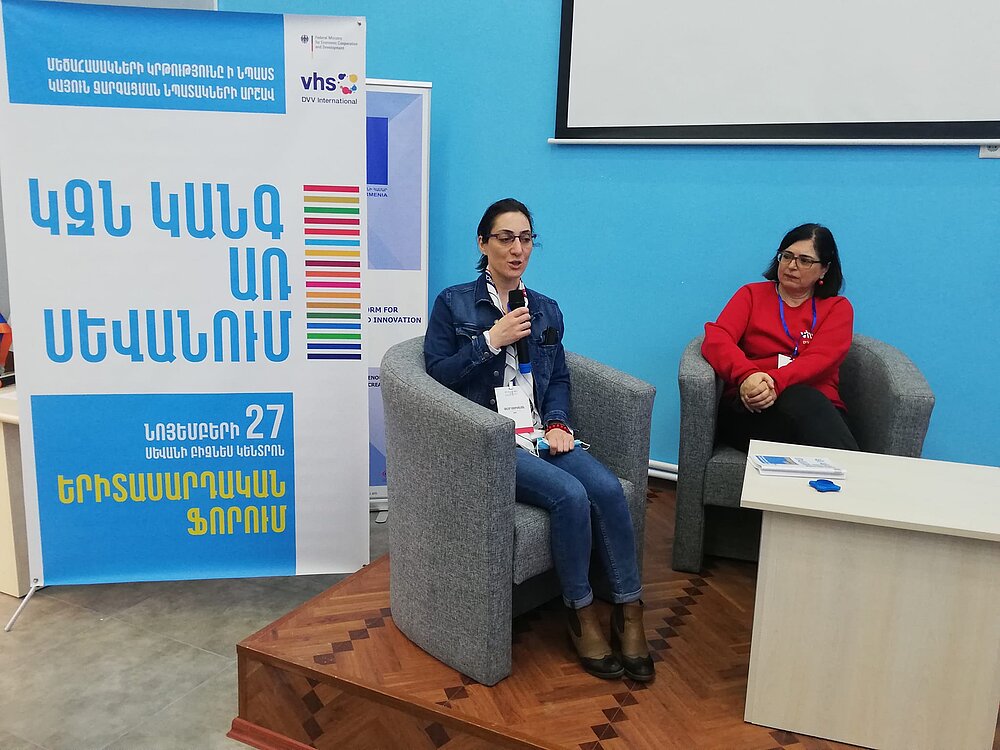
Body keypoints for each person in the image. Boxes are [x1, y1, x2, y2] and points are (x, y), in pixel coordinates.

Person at [423, 198, 654, 682]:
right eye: (505, 238)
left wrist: (558, 422)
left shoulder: (545, 308)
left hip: (539, 432)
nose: (517, 249)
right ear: (483, 243)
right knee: (570, 495)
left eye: (526, 239)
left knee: (607, 489)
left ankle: (629, 610)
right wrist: (491, 340)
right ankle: (581, 613)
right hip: (491, 439)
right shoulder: (453, 303)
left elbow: (559, 378)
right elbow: (437, 378)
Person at [702, 223, 859, 452]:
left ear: (824, 269)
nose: (792, 266)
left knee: (802, 399)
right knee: (807, 415)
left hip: (818, 410)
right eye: (787, 256)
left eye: (804, 260)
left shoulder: (837, 308)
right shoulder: (751, 295)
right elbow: (717, 338)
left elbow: (821, 358)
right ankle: (856, 470)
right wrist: (747, 375)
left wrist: (776, 382)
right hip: (755, 409)